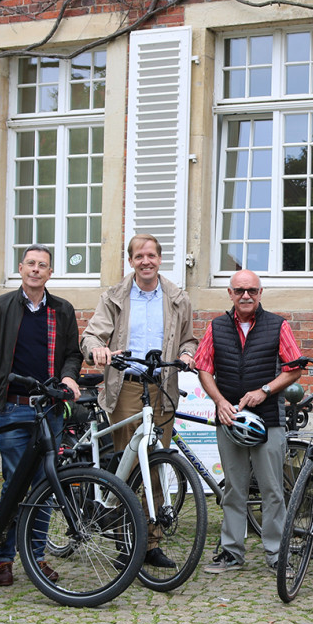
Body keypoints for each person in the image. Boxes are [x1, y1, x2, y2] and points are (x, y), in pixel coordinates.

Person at [81, 233, 198, 570]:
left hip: (162, 386)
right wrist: (98, 350)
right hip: (127, 388)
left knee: (157, 466)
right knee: (128, 466)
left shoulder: (177, 298)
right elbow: (90, 336)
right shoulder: (115, 297)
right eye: (139, 256)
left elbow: (189, 340)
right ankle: (124, 542)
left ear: (160, 259)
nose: (145, 261)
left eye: (151, 255)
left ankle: (150, 543)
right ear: (130, 261)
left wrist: (188, 354)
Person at [0, 245, 82, 587]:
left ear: (50, 273)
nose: (36, 270)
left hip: (48, 408)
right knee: (13, 483)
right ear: (21, 268)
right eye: (31, 264)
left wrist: (68, 376)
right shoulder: (0, 307)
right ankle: (4, 558)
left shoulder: (62, 310)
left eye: (43, 265)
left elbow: (73, 354)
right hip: (14, 408)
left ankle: (35, 557)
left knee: (44, 485)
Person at [195, 270, 303, 573]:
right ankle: (231, 552)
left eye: (252, 291)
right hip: (229, 420)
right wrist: (219, 402)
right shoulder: (216, 326)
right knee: (234, 489)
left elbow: (294, 368)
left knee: (272, 490)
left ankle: (276, 555)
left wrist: (265, 391)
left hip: (268, 420)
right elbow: (204, 367)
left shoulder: (278, 325)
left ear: (260, 293)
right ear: (229, 293)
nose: (246, 295)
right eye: (240, 290)